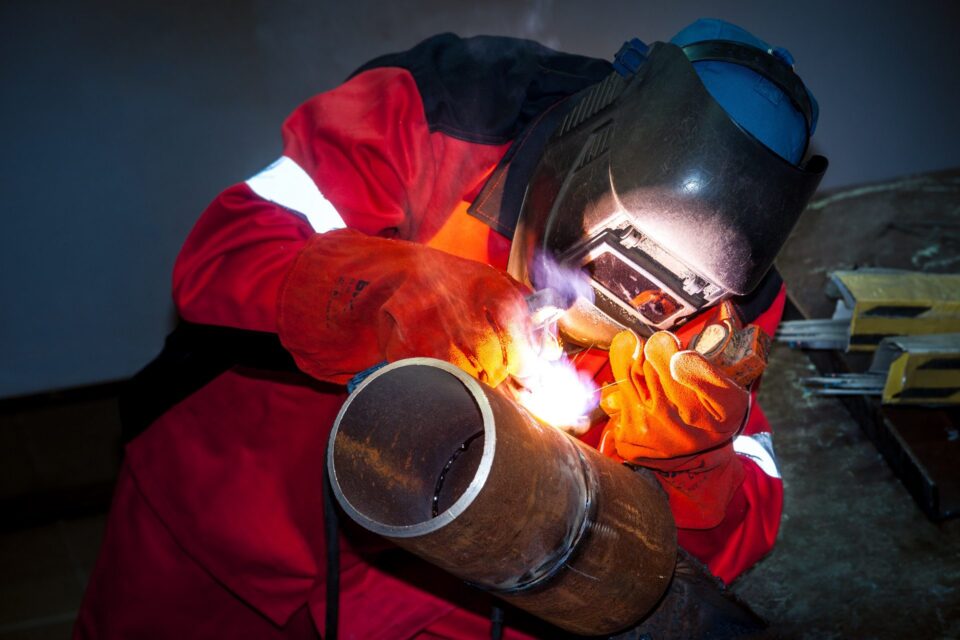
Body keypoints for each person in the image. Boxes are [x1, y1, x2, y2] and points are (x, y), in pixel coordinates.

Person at [75, 18, 826, 639]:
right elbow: (224, 254)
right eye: (607, 261)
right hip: (221, 526)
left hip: (440, 604)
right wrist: (390, 295)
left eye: (658, 294)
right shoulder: (453, 110)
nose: (607, 304)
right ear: (591, 155)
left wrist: (686, 465)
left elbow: (728, 537)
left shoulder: (731, 313)